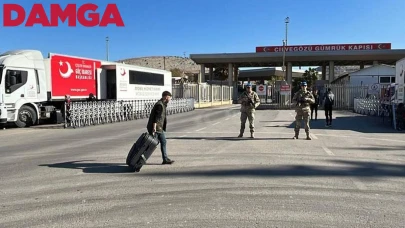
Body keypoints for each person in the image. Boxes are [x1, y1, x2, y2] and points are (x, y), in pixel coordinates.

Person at [146, 91, 174, 164]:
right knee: (151, 145)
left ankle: (165, 159)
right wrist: (154, 128)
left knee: (163, 142)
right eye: (169, 98)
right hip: (156, 128)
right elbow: (156, 117)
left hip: (159, 128)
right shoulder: (160, 105)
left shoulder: (162, 104)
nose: (170, 99)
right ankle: (140, 157)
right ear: (166, 97)